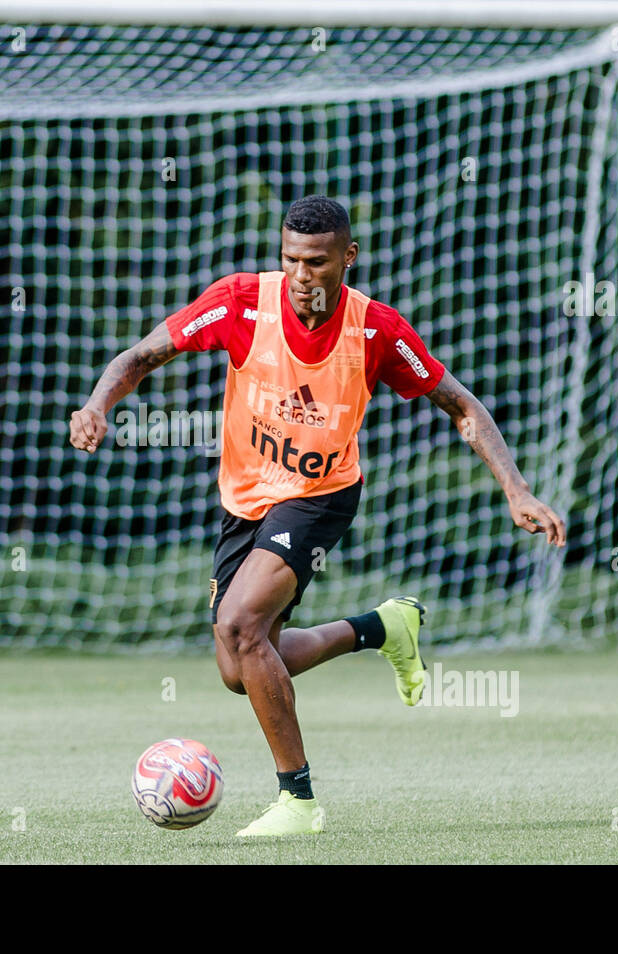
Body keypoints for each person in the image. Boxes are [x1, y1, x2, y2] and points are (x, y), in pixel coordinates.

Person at [70, 195, 566, 836]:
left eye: (318, 262)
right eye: (292, 260)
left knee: (242, 623)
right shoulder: (241, 302)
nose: (304, 276)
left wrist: (517, 489)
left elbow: (462, 406)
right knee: (239, 665)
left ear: (347, 258)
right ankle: (383, 628)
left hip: (321, 494)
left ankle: (297, 800)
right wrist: (97, 406)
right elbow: (138, 358)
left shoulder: (376, 330)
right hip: (243, 501)